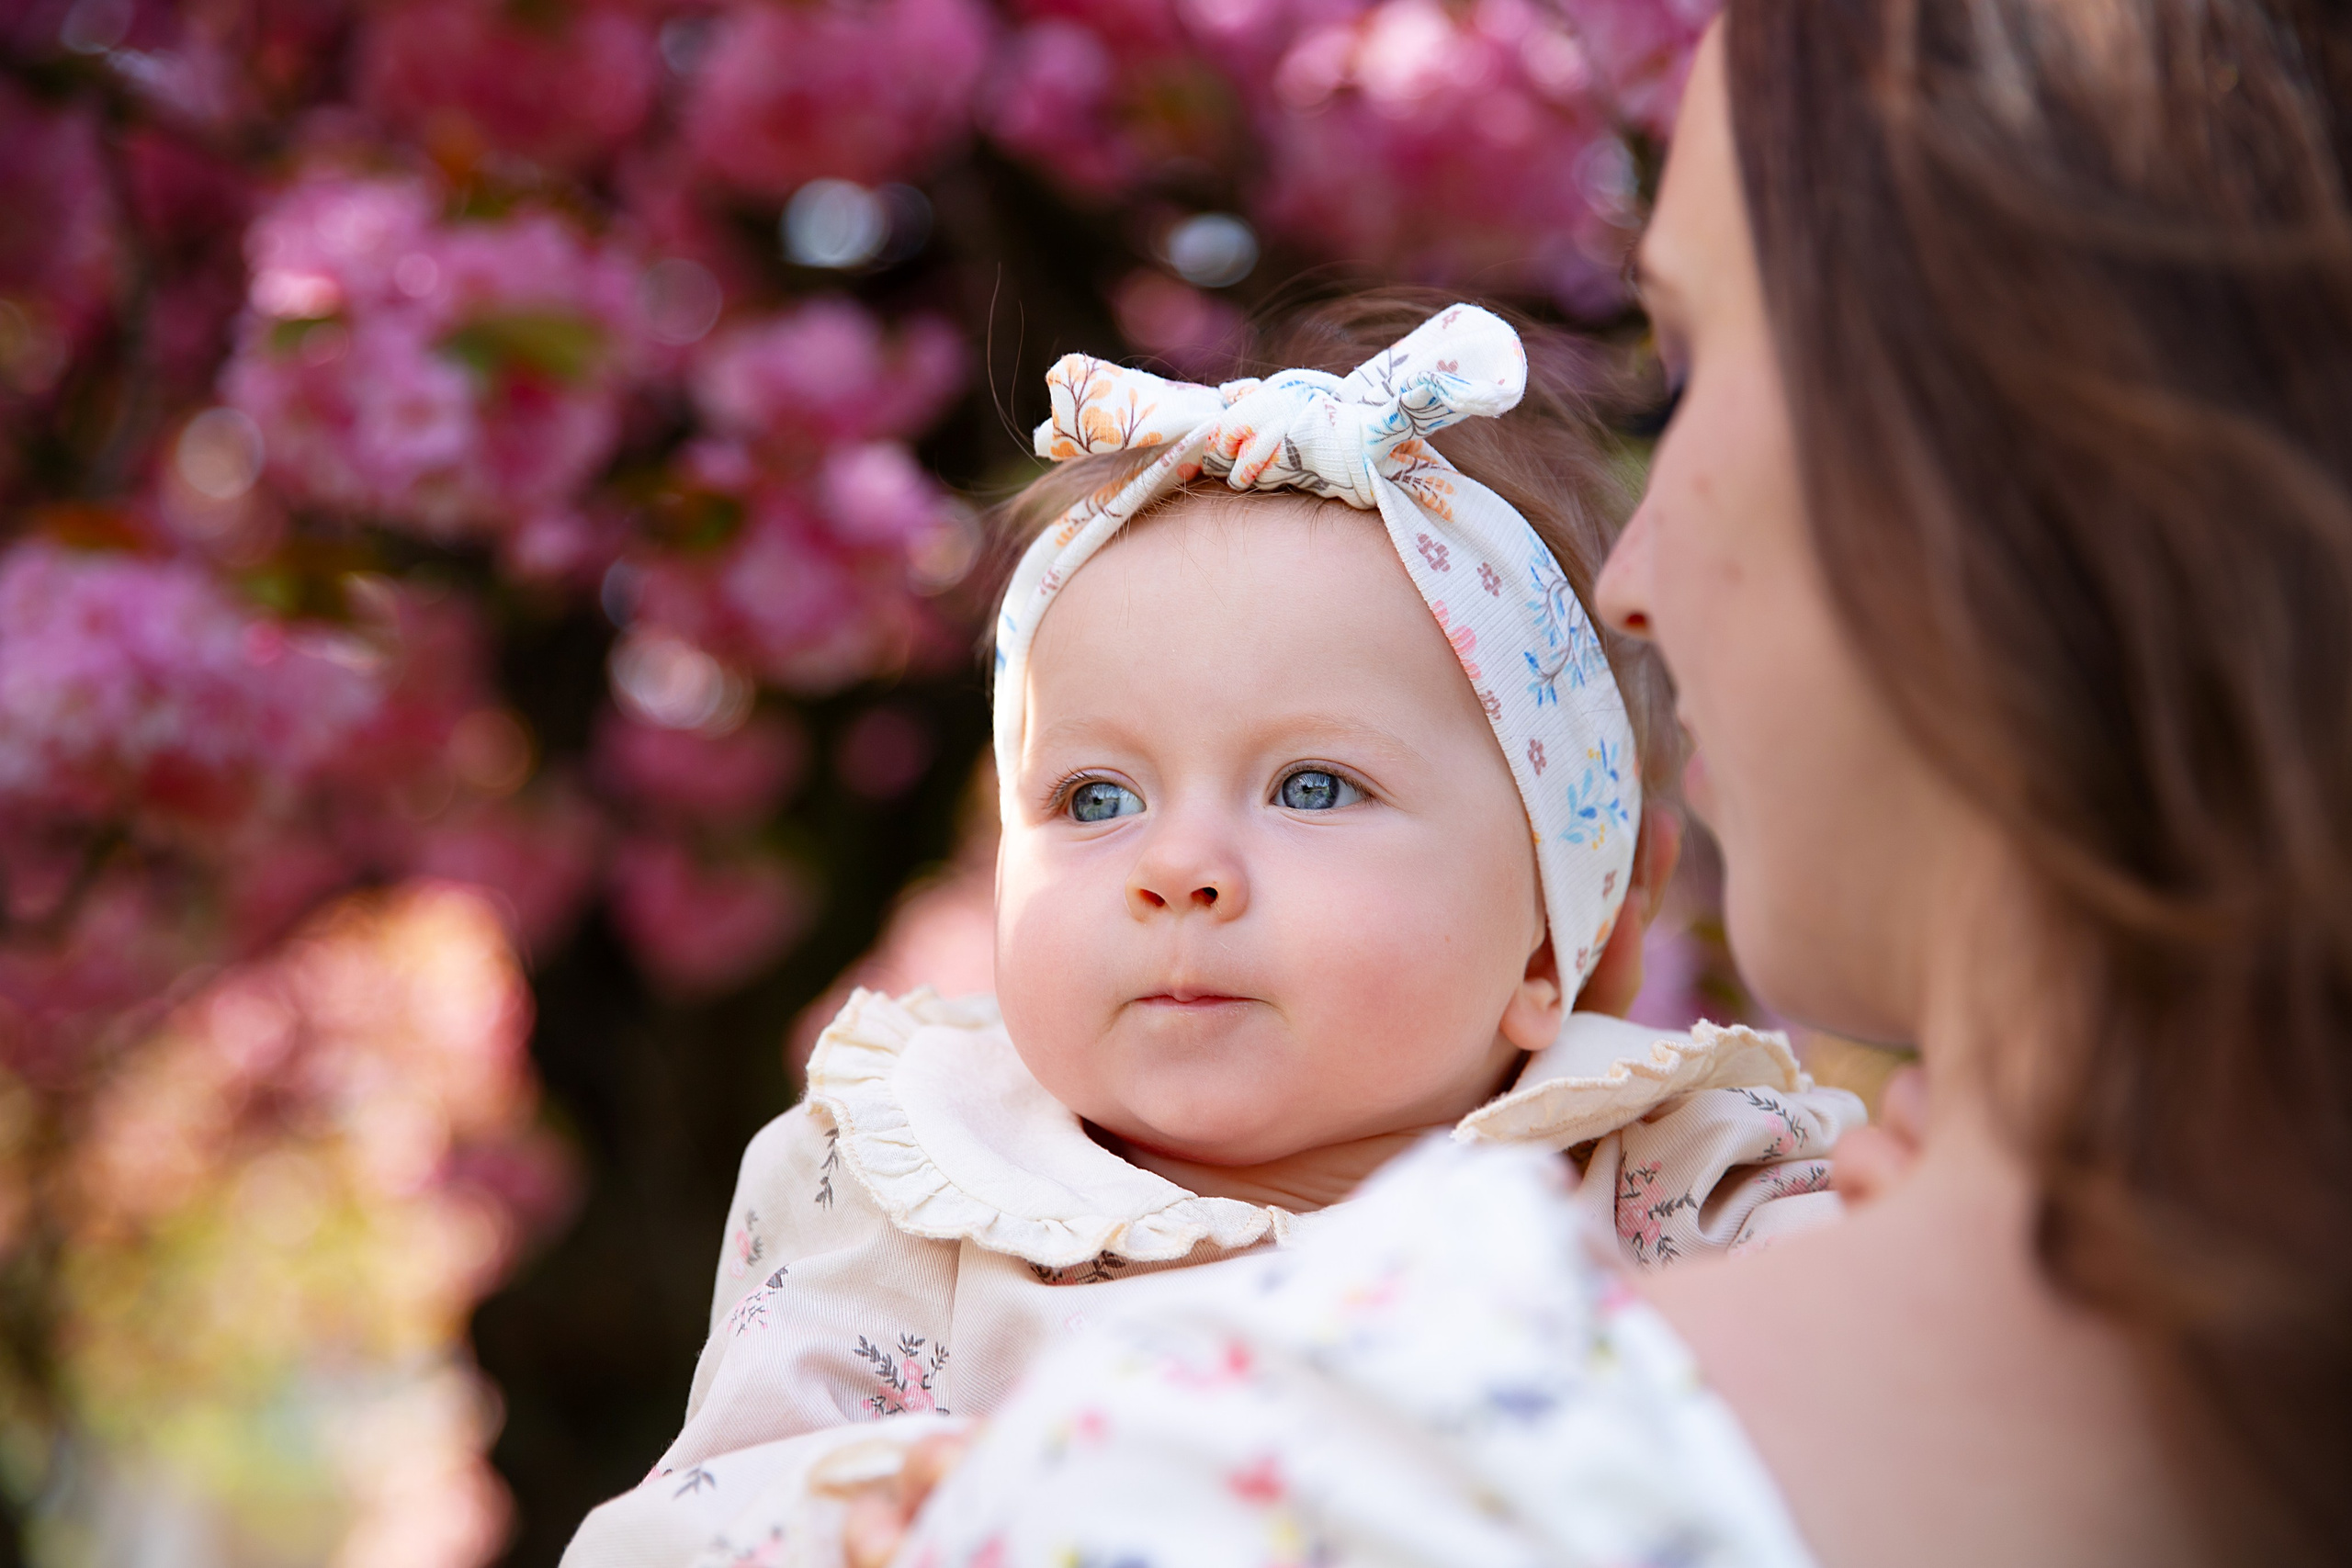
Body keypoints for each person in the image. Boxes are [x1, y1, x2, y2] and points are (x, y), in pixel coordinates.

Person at [854, 3, 2352, 1564]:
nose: (1627, 581)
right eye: (1092, 798)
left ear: (2018, 454)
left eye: (1687, 374)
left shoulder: (1245, 1480)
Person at [561, 296, 1869, 1566]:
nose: (1176, 868)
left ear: (1565, 933)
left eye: (1313, 787)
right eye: (1095, 798)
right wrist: (888, 1511)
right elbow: (685, 1523)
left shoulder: (1689, 1185)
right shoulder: (916, 1191)